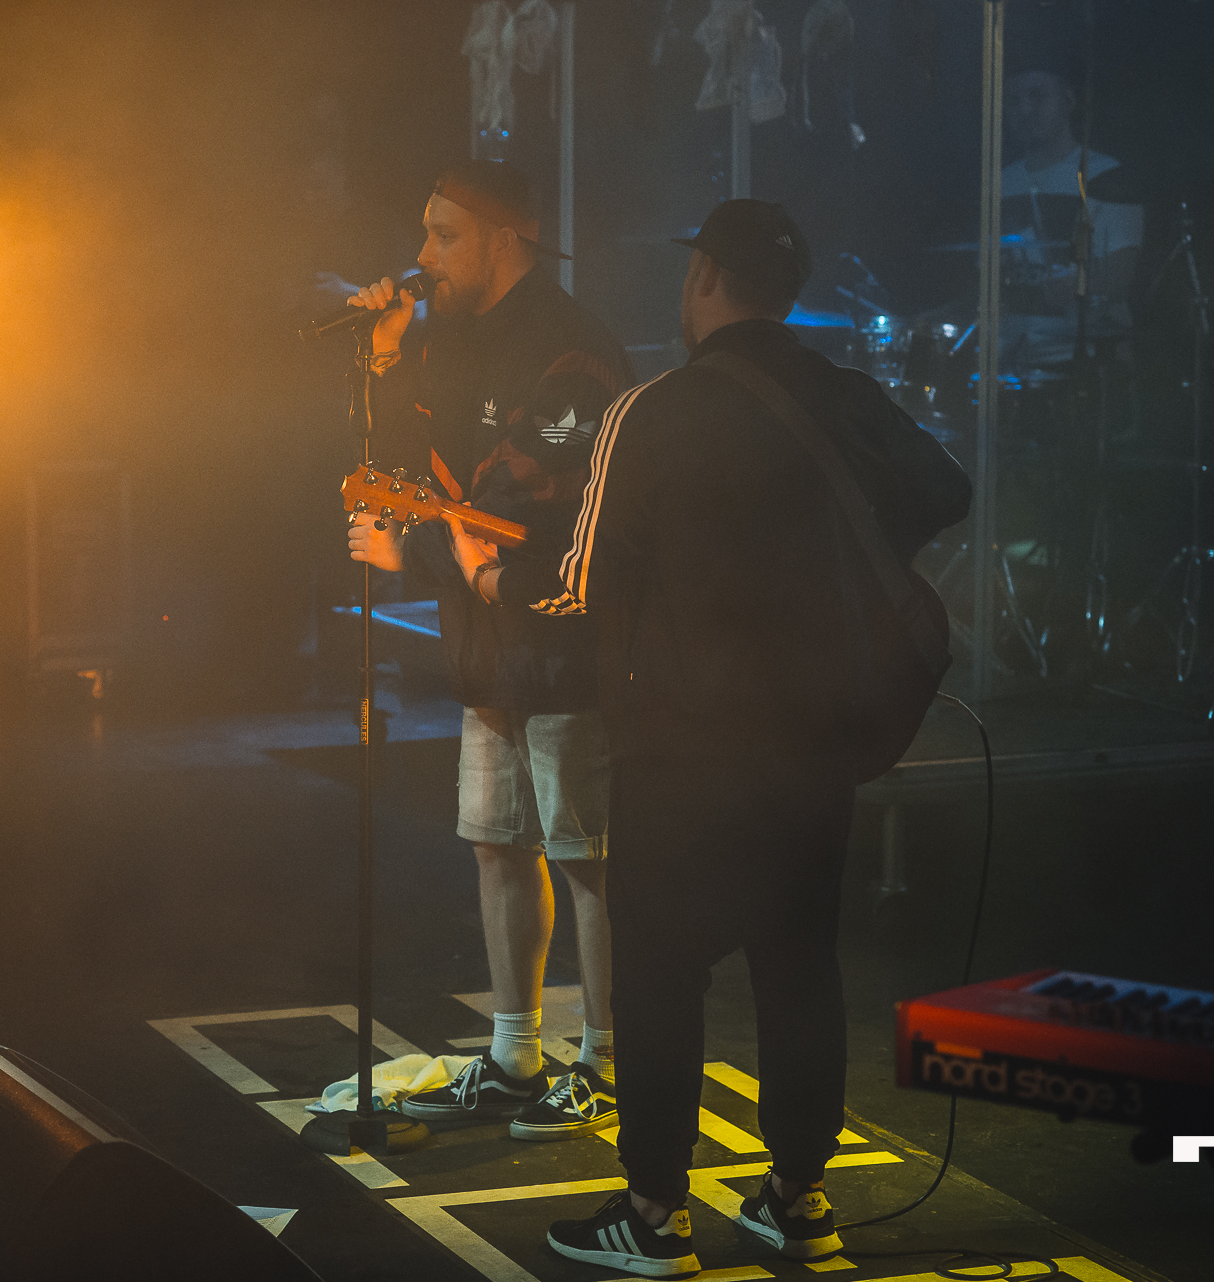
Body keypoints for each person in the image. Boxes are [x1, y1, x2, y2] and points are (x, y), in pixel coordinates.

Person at [457, 200, 970, 1273]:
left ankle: (654, 1216)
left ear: (701, 279)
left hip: (682, 747)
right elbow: (945, 489)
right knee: (800, 966)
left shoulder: (653, 411)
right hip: (813, 740)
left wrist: (489, 577)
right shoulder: (844, 394)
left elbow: (581, 589)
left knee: (660, 972)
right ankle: (799, 1199)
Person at [342, 160, 634, 1139]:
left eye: (444, 235)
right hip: (485, 642)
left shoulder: (572, 348)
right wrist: (387, 359)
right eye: (424, 234)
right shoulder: (446, 339)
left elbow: (528, 502)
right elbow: (416, 474)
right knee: (497, 839)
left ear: (505, 239)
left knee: (586, 854)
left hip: (561, 637)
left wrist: (417, 546)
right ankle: (515, 1055)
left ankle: (608, 1063)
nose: (422, 256)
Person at [1000, 62, 1143, 372]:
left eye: (1036, 96)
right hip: (1009, 359)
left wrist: (1078, 285)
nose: (1024, 110)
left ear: (1068, 101)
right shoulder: (1001, 182)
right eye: (1013, 101)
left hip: (1084, 361)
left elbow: (1121, 278)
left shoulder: (1105, 175)